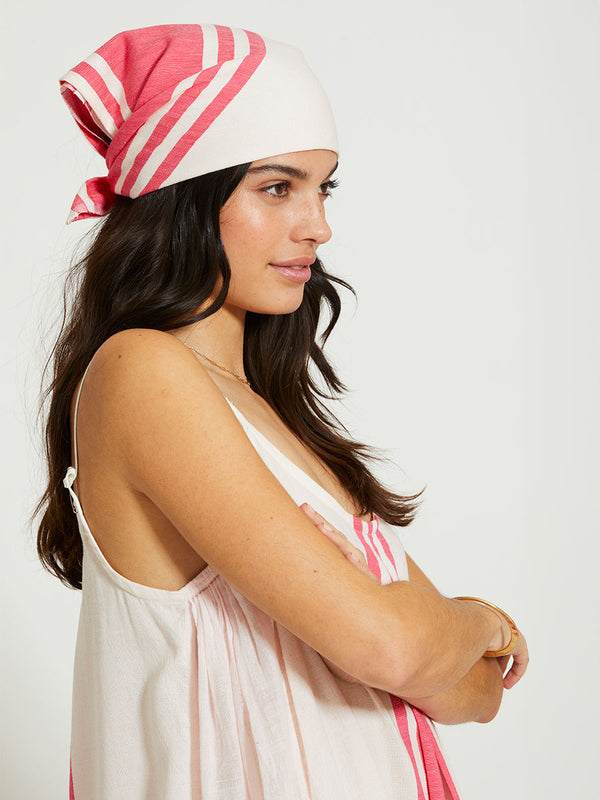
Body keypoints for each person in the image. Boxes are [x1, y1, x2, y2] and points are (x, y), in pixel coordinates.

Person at [37, 24, 529, 800]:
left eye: (323, 187)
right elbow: (400, 651)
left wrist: (432, 642)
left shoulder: (269, 418)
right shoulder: (143, 372)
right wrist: (477, 617)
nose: (318, 226)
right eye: (277, 187)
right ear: (185, 197)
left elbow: (475, 693)